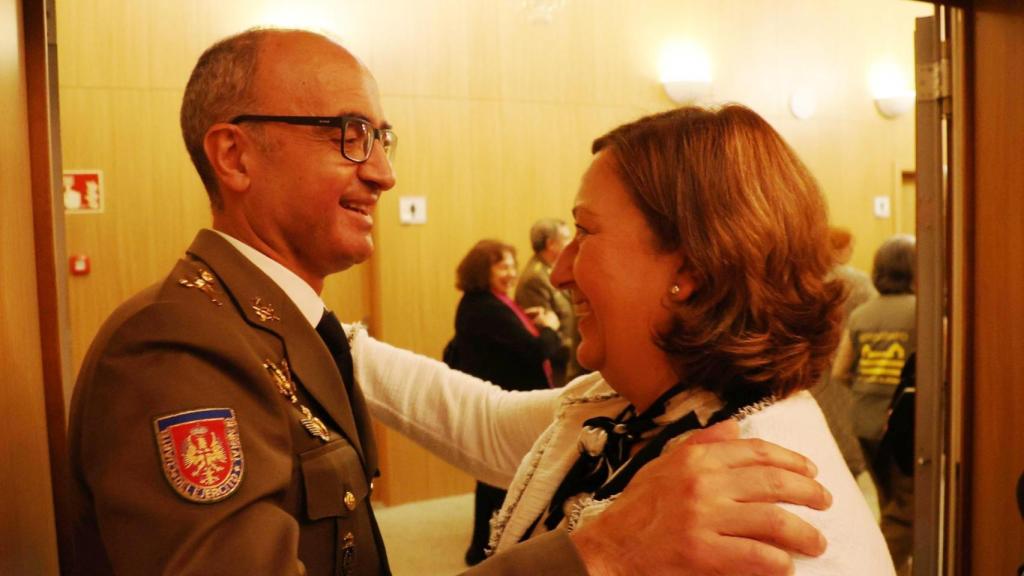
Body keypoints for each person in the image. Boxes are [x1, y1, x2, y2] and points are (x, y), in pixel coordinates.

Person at [68, 28, 832, 576]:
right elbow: (482, 420)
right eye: (349, 134)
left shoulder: (762, 476)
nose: (384, 173)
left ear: (689, 268)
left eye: (382, 136)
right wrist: (602, 550)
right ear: (235, 155)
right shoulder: (180, 347)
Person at [441, 104, 891, 574]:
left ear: (691, 267)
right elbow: (481, 419)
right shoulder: (633, 404)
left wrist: (606, 553)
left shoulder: (750, 519)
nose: (560, 273)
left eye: (585, 232)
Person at [446, 240, 562, 565]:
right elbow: (536, 351)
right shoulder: (485, 308)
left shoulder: (489, 303)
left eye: (513, 265)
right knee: (500, 477)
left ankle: (483, 547)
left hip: (501, 400)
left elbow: (511, 341)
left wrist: (528, 320)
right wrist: (550, 328)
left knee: (493, 478)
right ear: (482, 271)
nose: (511, 273)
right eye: (503, 267)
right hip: (502, 404)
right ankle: (488, 549)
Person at [832, 234, 917, 571]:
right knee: (907, 511)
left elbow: (841, 371)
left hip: (864, 421)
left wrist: (869, 386)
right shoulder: (922, 312)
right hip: (902, 423)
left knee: (888, 503)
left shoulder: (862, 314)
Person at [809, 226, 878, 477]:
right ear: (839, 249)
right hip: (849, 362)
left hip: (814, 363)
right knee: (847, 427)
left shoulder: (808, 280)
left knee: (822, 421)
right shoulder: (858, 282)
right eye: (850, 247)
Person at [515, 218, 581, 386]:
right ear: (551, 244)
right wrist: (579, 352)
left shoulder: (552, 271)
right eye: (566, 238)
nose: (571, 243)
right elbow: (545, 334)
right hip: (557, 372)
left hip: (568, 364)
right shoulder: (535, 279)